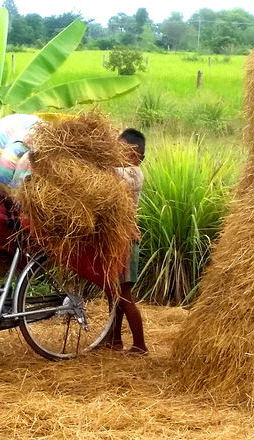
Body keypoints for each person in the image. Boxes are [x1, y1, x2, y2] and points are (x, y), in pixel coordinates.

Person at [108, 128, 148, 355]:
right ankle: (114, 340)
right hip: (118, 238)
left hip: (126, 240)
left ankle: (140, 345)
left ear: (134, 154)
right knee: (115, 292)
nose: (115, 153)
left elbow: (109, 173)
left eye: (119, 149)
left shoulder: (132, 174)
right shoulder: (123, 171)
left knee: (123, 294)